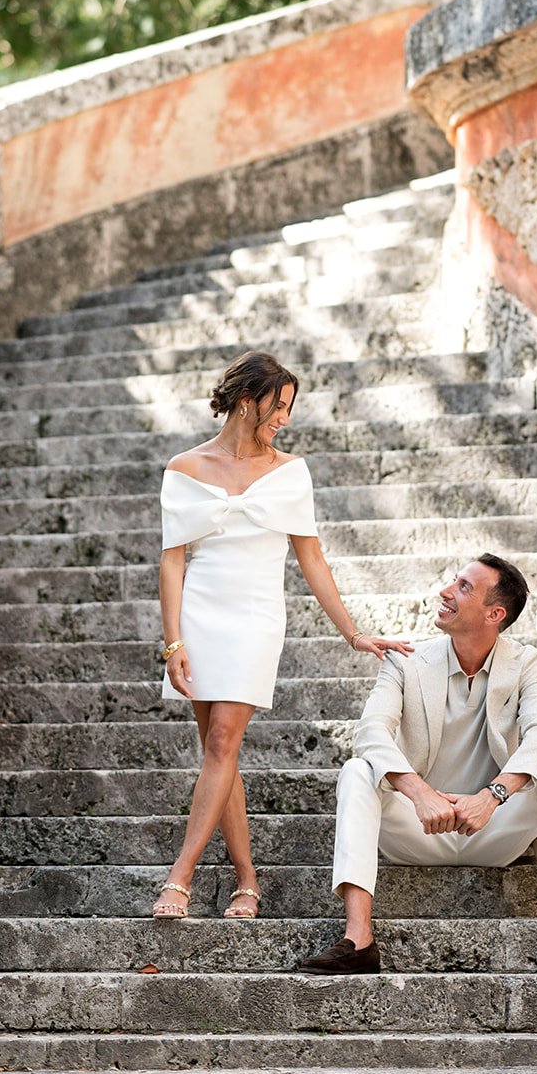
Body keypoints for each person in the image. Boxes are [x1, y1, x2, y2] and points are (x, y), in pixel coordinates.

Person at [153, 349, 413, 920]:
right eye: (279, 406)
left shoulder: (291, 472)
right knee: (217, 753)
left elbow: (312, 560)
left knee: (223, 742)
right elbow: (172, 562)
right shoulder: (184, 469)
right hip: (201, 616)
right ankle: (248, 880)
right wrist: (173, 642)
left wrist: (352, 634)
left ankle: (180, 877)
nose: (285, 419)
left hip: (255, 619)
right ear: (247, 402)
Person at [297, 553, 537, 975]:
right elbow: (371, 733)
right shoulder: (405, 659)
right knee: (356, 771)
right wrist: (418, 792)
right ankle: (358, 939)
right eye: (452, 582)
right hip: (420, 827)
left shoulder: (525, 662)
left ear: (494, 614)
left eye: (463, 588)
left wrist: (491, 797)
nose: (445, 592)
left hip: (492, 828)